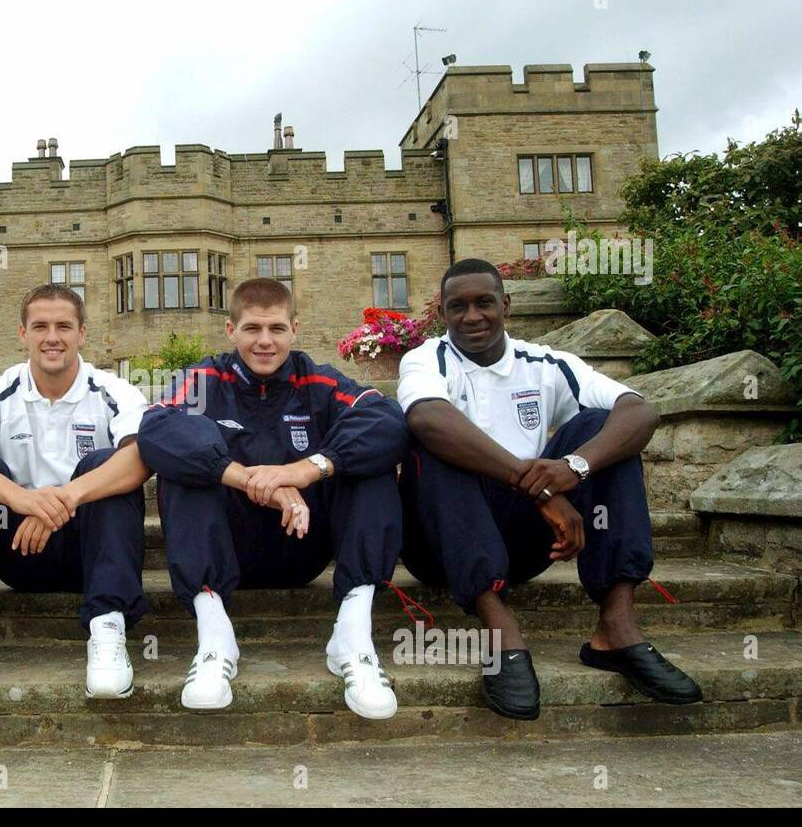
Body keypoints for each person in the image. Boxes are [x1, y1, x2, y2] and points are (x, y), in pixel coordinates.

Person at [396, 257, 702, 720]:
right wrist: (542, 488)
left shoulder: (545, 363)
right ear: (443, 314)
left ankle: (616, 627)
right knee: (436, 440)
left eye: (484, 303)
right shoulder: (426, 359)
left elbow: (639, 411)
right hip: (439, 544)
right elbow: (426, 418)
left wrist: (574, 468)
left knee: (603, 426)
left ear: (507, 306)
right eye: (458, 306)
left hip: (522, 540)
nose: (472, 316)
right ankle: (500, 630)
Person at [138, 277, 409, 719]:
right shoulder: (207, 378)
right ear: (231, 331)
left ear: (294, 329)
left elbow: (387, 421)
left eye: (277, 329)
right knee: (185, 463)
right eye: (252, 329)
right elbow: (155, 429)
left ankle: (353, 635)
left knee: (369, 461)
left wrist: (301, 471)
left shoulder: (317, 381)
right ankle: (214, 639)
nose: (265, 341)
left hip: (302, 546)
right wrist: (247, 479)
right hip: (228, 549)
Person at [0, 284, 151, 703]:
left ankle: (108, 627)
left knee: (108, 463)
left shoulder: (113, 391)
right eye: (40, 326)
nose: (52, 337)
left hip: (91, 551)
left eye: (64, 326)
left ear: (82, 333)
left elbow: (141, 459)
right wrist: (22, 500)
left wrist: (62, 500)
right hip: (20, 549)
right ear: (22, 334)